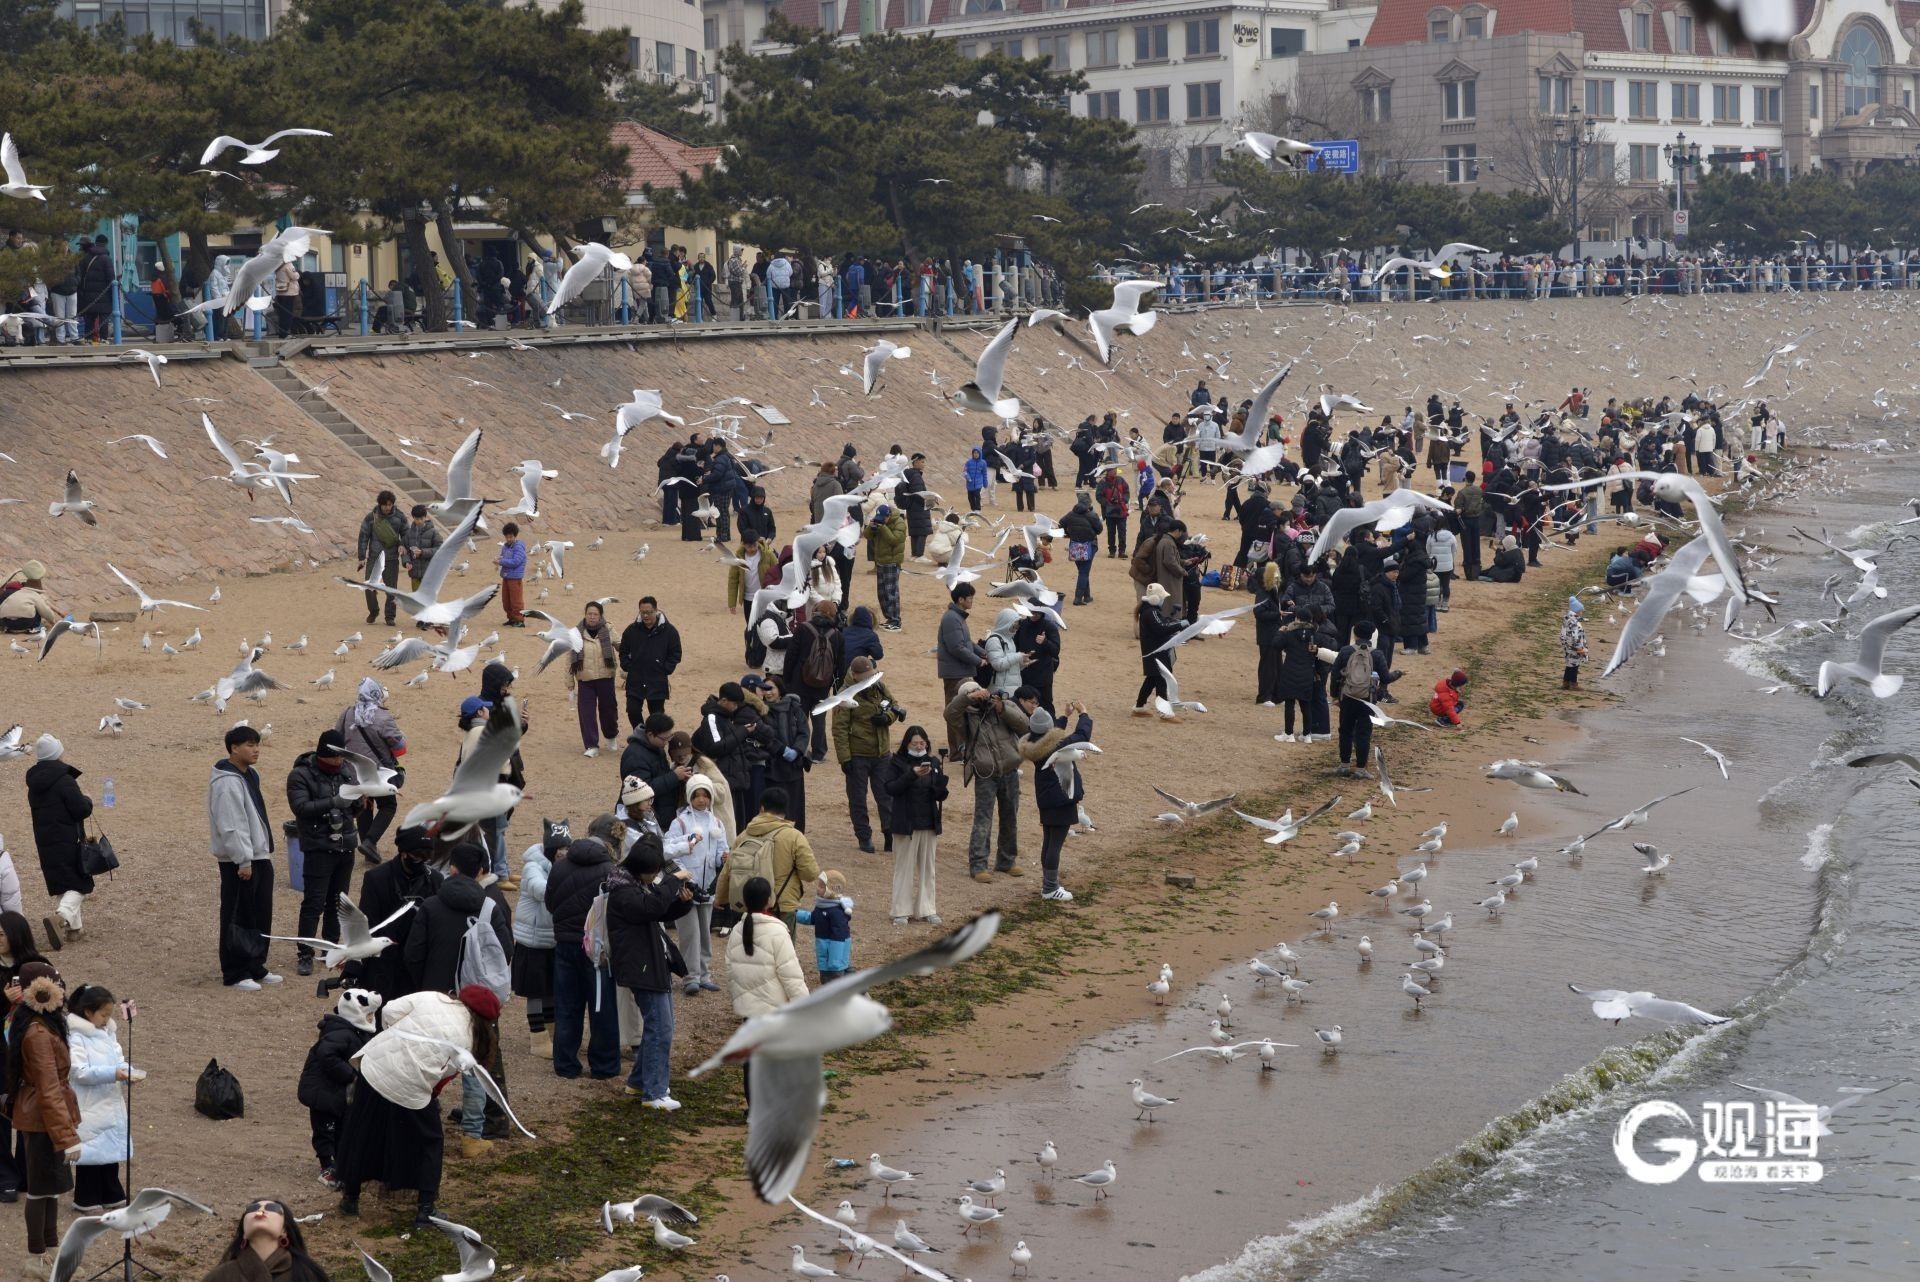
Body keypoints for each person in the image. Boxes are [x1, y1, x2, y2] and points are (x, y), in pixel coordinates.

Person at [335, 984, 501, 1226]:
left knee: (364, 1129)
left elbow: (389, 1010)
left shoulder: (433, 998)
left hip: (375, 1066)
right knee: (430, 1141)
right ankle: (426, 1209)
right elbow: (445, 1074)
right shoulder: (469, 1040)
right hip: (412, 1085)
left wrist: (399, 1039)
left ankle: (350, 1198)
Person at [606, 832, 694, 1109]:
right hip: (642, 966)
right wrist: (672, 880)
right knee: (660, 1029)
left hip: (650, 963)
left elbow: (658, 911)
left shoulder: (633, 884)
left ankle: (638, 1083)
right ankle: (654, 1093)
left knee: (658, 1027)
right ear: (640, 869)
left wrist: (682, 902)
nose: (655, 876)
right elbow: (651, 907)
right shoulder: (623, 891)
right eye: (653, 872)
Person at [8, 961, 77, 1277]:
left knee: (51, 1188)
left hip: (45, 1116)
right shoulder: (38, 1033)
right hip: (41, 1119)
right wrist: (67, 1137)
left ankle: (50, 1251)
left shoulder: (42, 1025)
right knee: (39, 1190)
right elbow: (48, 1088)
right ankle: (35, 1257)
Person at [719, 876, 808, 1105]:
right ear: (769, 900)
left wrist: (741, 995)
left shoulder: (738, 929)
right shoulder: (777, 931)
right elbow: (791, 974)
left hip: (749, 1009)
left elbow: (730, 968)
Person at [543, 833, 621, 1080]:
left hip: (565, 944)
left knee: (566, 1006)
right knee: (603, 1007)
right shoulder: (610, 870)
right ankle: (604, 1066)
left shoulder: (559, 867)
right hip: (597, 948)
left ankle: (565, 1064)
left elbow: (549, 902)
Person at [287, 730, 363, 979]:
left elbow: (356, 808)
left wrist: (357, 799)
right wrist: (333, 803)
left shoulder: (347, 770)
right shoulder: (301, 774)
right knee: (314, 903)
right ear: (322, 754)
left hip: (345, 844)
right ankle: (305, 953)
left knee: (338, 902)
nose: (339, 762)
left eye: (341, 757)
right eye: (334, 757)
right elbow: (300, 807)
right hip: (318, 847)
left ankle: (331, 947)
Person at [208, 724, 279, 989]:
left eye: (257, 744)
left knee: (260, 913)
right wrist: (243, 859)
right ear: (234, 748)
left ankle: (255, 965)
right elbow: (231, 823)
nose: (256, 749)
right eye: (250, 745)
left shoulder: (250, 774)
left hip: (259, 855)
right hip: (240, 860)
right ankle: (235, 972)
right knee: (237, 915)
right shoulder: (226, 782)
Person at [343, 825, 441, 1004]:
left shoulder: (435, 880)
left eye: (426, 857)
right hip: (384, 964)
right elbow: (367, 925)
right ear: (403, 852)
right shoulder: (376, 878)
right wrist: (353, 967)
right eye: (417, 856)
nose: (421, 861)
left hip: (417, 964)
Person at [297, 987, 381, 1192]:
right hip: (323, 1093)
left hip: (337, 1094)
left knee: (343, 1128)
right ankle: (327, 1165)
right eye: (368, 1014)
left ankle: (342, 1163)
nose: (372, 1019)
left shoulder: (354, 1033)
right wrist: (350, 1075)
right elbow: (326, 1055)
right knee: (325, 1130)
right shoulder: (342, 1034)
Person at [65, 983, 137, 1214]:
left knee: (110, 1149)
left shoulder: (108, 1033)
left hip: (110, 1100)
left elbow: (118, 1059)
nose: (107, 1019)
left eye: (109, 1015)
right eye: (103, 1015)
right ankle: (85, 1198)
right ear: (88, 1012)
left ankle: (111, 1192)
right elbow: (79, 1071)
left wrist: (127, 1072)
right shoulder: (76, 1036)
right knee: (90, 1151)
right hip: (88, 1103)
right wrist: (113, 1073)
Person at [714, 788, 820, 932]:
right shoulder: (794, 836)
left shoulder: (744, 835)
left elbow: (728, 869)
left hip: (749, 903)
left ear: (762, 808)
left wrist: (720, 897)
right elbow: (810, 874)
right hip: (782, 904)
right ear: (785, 810)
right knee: (781, 944)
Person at [1019, 703, 1092, 902]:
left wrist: (1065, 717)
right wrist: (1083, 714)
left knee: (1049, 841)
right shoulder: (1059, 746)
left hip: (1046, 798)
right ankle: (1050, 888)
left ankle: (1048, 884)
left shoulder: (1033, 744)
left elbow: (1049, 734)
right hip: (1061, 797)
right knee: (1055, 844)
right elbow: (1082, 736)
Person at [663, 773, 728, 995]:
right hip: (686, 887)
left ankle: (705, 974)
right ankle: (690, 976)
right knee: (689, 933)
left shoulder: (716, 822)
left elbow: (721, 849)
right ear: (689, 797)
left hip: (707, 886)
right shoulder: (680, 822)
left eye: (705, 795)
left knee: (704, 933)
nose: (701, 800)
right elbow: (671, 852)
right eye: (697, 795)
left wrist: (723, 858)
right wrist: (686, 878)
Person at [25, 735, 92, 950]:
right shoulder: (64, 780)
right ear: (57, 754)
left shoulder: (34, 784)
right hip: (67, 839)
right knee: (80, 884)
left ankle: (74, 930)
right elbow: (80, 809)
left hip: (45, 841)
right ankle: (60, 918)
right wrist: (88, 800)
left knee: (64, 883)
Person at [831, 657, 903, 854]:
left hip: (882, 753)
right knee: (858, 799)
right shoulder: (844, 696)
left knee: (886, 796)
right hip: (858, 755)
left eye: (870, 675)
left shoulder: (879, 686)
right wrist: (845, 759)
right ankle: (864, 837)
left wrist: (886, 718)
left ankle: (890, 834)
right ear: (854, 676)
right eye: (864, 677)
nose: (868, 680)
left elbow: (895, 705)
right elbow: (839, 729)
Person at [882, 725, 947, 926]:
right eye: (915, 743)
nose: (919, 746)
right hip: (905, 824)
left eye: (922, 743)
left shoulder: (934, 762)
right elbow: (890, 788)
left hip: (928, 822)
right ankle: (901, 911)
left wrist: (940, 785)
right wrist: (912, 774)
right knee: (904, 869)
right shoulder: (897, 762)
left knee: (928, 869)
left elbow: (940, 794)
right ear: (907, 743)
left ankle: (928, 909)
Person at [335, 679, 405, 864]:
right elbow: (400, 748)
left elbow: (337, 738)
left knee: (365, 806)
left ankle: (368, 850)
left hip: (353, 772)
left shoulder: (347, 713)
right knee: (388, 806)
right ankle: (370, 842)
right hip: (379, 772)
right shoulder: (383, 717)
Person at [511, 821, 566, 1056]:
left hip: (551, 938)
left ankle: (552, 1033)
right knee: (535, 990)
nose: (565, 852)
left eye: (567, 847)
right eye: (561, 847)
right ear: (552, 848)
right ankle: (538, 1038)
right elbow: (540, 889)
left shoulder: (560, 867)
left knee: (550, 987)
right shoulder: (532, 867)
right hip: (532, 940)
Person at [201, 1197, 333, 1282]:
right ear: (244, 1232)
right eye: (252, 1209)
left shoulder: (306, 1274)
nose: (261, 1211)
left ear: (284, 1230)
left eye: (272, 1208)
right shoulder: (220, 1276)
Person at [936, 585, 987, 755]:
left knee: (963, 710)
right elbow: (956, 648)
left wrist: (983, 653)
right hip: (955, 673)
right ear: (961, 599)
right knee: (955, 711)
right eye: (970, 598)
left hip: (961, 671)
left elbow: (967, 642)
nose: (972, 601)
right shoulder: (952, 618)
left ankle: (962, 749)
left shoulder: (957, 617)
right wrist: (978, 661)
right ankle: (957, 752)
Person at [569, 601, 621, 758]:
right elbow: (569, 660)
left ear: (600, 616)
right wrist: (570, 683)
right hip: (585, 680)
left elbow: (622, 646)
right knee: (586, 713)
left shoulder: (608, 629)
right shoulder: (575, 633)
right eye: (589, 614)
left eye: (595, 614)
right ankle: (591, 745)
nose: (592, 617)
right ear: (585, 615)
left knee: (608, 710)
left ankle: (611, 737)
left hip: (606, 678)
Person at [620, 713, 692, 821]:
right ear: (650, 734)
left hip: (662, 810)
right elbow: (641, 790)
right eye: (664, 739)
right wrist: (674, 777)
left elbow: (660, 773)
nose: (666, 742)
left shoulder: (655, 746)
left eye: (669, 738)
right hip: (649, 816)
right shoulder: (635, 757)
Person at [1335, 622, 1381, 779]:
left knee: (1345, 731)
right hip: (1368, 700)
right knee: (1363, 733)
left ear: (1354, 634)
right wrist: (1398, 673)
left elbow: (1335, 674)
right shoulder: (1377, 654)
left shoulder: (1345, 651)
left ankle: (1344, 765)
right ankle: (1361, 768)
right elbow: (1385, 677)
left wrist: (1335, 695)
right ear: (1372, 635)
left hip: (1348, 697)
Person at [355, 492, 406, 626]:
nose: (387, 507)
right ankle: (374, 611)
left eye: (390, 505)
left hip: (391, 558)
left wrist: (402, 545)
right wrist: (361, 557)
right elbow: (363, 537)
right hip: (374, 557)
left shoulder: (400, 517)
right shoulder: (371, 518)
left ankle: (390, 617)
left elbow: (406, 535)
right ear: (380, 504)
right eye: (385, 505)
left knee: (391, 589)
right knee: (369, 586)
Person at [794, 870, 853, 982]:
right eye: (819, 885)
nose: (818, 888)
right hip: (826, 956)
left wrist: (834, 962)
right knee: (828, 980)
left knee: (834, 983)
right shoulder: (822, 907)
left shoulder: (836, 912)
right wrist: (795, 914)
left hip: (833, 962)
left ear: (832, 890)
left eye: (821, 886)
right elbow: (812, 918)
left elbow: (839, 938)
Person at [1134, 584, 1183, 717]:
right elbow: (1161, 628)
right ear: (1156, 599)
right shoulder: (1151, 612)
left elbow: (1160, 624)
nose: (1163, 601)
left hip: (1152, 652)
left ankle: (1139, 706)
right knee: (1162, 680)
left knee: (1151, 679)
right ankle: (1164, 712)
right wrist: (1179, 625)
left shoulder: (1148, 611)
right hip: (1157, 652)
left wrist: (1173, 622)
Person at [865, 504, 907, 630]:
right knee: (882, 593)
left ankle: (895, 621)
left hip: (892, 562)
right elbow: (867, 536)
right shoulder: (879, 521)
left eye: (883, 518)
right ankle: (889, 618)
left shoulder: (899, 523)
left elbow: (894, 540)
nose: (881, 520)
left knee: (891, 592)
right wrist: (871, 527)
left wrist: (882, 528)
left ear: (889, 515)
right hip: (880, 561)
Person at [1061, 492, 1103, 605]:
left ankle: (1087, 596)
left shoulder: (1070, 514)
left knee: (1083, 571)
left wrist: (1069, 534)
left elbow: (1061, 523)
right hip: (1089, 545)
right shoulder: (1092, 515)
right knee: (1084, 572)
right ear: (1089, 503)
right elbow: (1099, 530)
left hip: (1075, 546)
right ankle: (1078, 598)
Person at [0, 560, 60, 633]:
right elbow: (46, 612)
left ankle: (11, 629)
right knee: (38, 610)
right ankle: (31, 628)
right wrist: (53, 621)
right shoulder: (35, 595)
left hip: (8, 623)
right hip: (25, 623)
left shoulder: (16, 593)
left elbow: (2, 607)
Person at [401, 505, 442, 594]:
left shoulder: (433, 532)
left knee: (428, 598)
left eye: (421, 518)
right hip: (414, 574)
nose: (419, 521)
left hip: (429, 573)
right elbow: (404, 550)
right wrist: (406, 562)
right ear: (413, 517)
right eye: (417, 519)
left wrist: (423, 552)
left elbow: (440, 549)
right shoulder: (408, 533)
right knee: (416, 598)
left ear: (425, 517)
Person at [497, 522, 527, 626]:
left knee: (516, 600)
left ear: (515, 536)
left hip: (515, 577)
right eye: (507, 537)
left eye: (511, 537)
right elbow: (503, 557)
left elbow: (516, 562)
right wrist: (498, 559)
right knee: (506, 600)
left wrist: (501, 561)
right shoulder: (505, 547)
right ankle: (511, 618)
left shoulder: (519, 547)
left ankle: (519, 620)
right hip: (506, 576)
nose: (508, 539)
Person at [1561, 596, 1589, 689]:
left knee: (1569, 664)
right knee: (1574, 665)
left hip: (1567, 646)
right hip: (1574, 647)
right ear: (1577, 611)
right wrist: (1579, 648)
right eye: (1581, 611)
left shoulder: (1568, 619)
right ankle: (1573, 683)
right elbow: (1575, 636)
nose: (1582, 612)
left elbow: (1564, 634)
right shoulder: (1575, 623)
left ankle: (1566, 682)